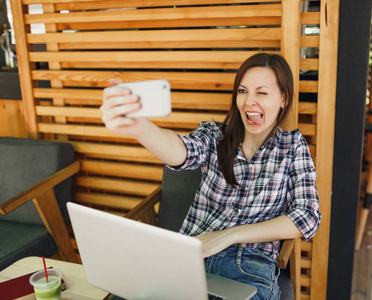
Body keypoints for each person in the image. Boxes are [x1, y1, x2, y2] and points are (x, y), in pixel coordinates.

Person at [101, 53, 321, 300]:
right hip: (188, 258)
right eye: (242, 91)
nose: (250, 101)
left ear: (283, 98)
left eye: (262, 93)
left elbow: (307, 217)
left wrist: (229, 235)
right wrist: (141, 129)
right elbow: (181, 152)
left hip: (247, 267)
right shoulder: (214, 135)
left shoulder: (292, 146)